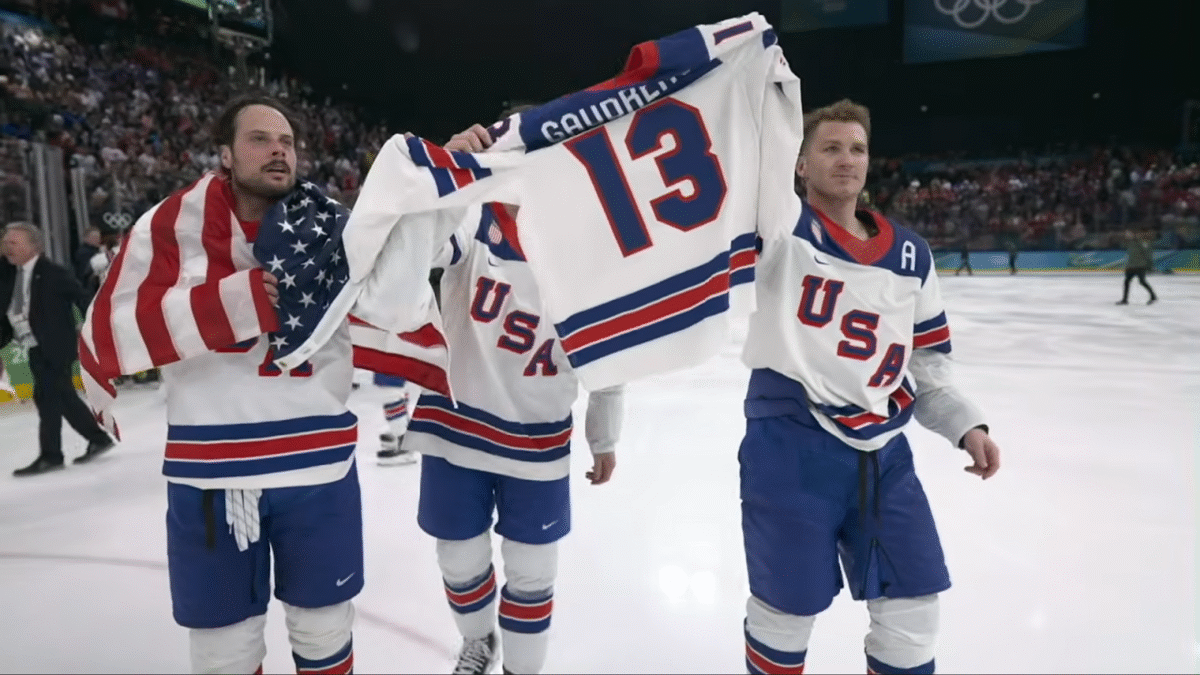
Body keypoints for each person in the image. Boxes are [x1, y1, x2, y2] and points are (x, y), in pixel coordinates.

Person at [81, 94, 360, 675]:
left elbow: (401, 289)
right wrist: (240, 301)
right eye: (260, 138)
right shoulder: (166, 226)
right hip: (211, 473)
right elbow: (118, 324)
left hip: (318, 467)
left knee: (325, 628)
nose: (278, 149)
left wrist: (435, 174)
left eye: (287, 140)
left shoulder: (337, 226)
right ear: (226, 154)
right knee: (222, 649)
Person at [738, 100, 1002, 675]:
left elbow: (928, 363)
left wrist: (966, 423)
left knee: (914, 611)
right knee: (785, 611)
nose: (847, 159)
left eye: (856, 148)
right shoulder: (777, 226)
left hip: (885, 455)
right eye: (830, 147)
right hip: (790, 445)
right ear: (801, 164)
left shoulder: (911, 253)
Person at [405, 121, 624, 672]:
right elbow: (417, 247)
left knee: (532, 570)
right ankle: (477, 640)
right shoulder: (474, 215)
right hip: (458, 422)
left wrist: (604, 432)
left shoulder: (592, 250)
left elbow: (610, 353)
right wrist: (444, 172)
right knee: (458, 557)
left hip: (539, 433)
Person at [1, 221, 114, 476]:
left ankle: (51, 454)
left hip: (56, 345)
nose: (8, 248)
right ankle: (97, 438)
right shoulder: (9, 274)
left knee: (49, 397)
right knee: (61, 396)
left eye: (14, 243)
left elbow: (83, 297)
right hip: (33, 345)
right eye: (6, 243)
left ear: (34, 246)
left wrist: (97, 327)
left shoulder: (53, 272)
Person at [1116, 229, 1157, 305]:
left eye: (1129, 234)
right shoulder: (1130, 243)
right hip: (1131, 266)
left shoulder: (1141, 242)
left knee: (1142, 281)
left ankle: (1153, 296)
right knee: (1127, 282)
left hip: (1140, 266)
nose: (1127, 236)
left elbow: (1147, 254)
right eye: (1127, 235)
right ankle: (1125, 299)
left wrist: (1149, 265)